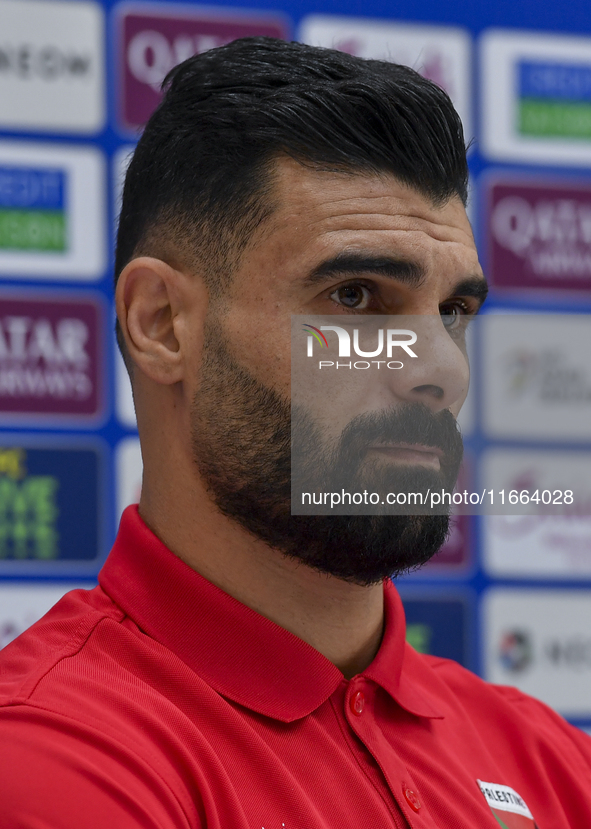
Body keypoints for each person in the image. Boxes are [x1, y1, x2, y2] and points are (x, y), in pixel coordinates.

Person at [1, 36, 590, 829]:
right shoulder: (50, 754)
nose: (441, 370)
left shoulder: (551, 760)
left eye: (450, 312)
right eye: (353, 296)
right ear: (163, 324)